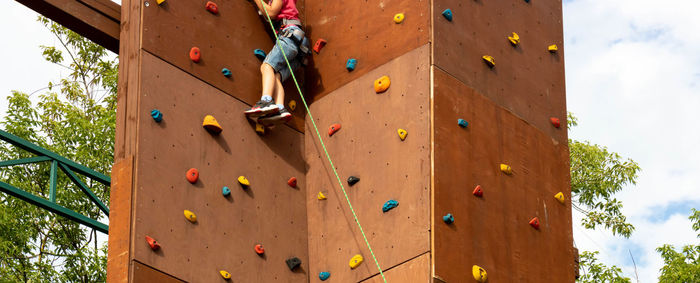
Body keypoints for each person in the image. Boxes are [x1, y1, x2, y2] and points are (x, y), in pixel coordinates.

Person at [244, 0, 309, 126]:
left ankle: (266, 100)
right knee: (276, 75)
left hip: (289, 36)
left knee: (267, 66)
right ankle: (279, 108)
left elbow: (272, 12)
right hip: (299, 44)